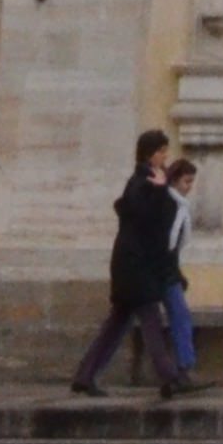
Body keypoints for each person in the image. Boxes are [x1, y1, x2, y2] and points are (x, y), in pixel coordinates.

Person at [68, 131, 187, 398]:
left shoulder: (145, 182)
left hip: (129, 266)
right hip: (135, 267)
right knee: (151, 321)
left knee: (116, 323)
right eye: (161, 151)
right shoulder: (142, 183)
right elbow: (146, 220)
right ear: (149, 154)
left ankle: (85, 376)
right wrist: (159, 190)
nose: (165, 156)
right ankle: (170, 377)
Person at [161, 152, 202, 387]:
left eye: (191, 182)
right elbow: (168, 243)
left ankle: (180, 371)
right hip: (164, 273)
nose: (189, 187)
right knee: (180, 316)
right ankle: (182, 370)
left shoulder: (179, 205)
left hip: (168, 272)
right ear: (175, 181)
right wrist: (175, 273)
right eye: (186, 182)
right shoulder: (171, 205)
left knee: (178, 317)